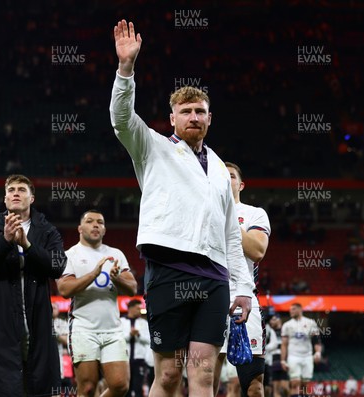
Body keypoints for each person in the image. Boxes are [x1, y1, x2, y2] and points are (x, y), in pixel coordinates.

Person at [110, 19, 255, 397]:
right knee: (170, 376)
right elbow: (122, 119)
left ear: (210, 118)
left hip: (214, 279)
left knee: (204, 376)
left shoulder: (222, 169)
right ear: (171, 117)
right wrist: (126, 69)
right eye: (186, 110)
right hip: (168, 270)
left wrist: (244, 288)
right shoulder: (153, 147)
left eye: (200, 111)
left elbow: (229, 233)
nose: (194, 116)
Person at [0, 174, 66, 396]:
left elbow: (58, 267)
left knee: (40, 386)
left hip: (38, 324)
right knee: (7, 389)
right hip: (1, 323)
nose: (16, 193)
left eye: (22, 189)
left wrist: (28, 245)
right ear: (5, 200)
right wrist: (4, 241)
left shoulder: (48, 231)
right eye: (11, 189)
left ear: (32, 198)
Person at [57, 210, 137, 397]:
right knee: (87, 389)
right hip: (83, 329)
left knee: (120, 386)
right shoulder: (69, 255)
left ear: (104, 229)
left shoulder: (115, 254)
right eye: (90, 221)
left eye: (100, 222)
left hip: (113, 330)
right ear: (79, 228)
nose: (95, 225)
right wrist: (94, 273)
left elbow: (132, 288)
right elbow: (64, 290)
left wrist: (116, 279)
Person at [213, 162, 271, 397]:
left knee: (253, 387)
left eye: (232, 176)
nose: (226, 180)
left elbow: (257, 250)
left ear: (241, 184)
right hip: (208, 300)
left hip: (244, 301)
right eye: (221, 176)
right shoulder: (202, 211)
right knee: (205, 381)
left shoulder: (254, 213)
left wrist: (227, 218)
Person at [280, 303, 323, 397]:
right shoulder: (287, 325)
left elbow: (316, 340)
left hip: (307, 356)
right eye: (290, 309)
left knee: (305, 385)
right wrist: (283, 360)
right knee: (295, 383)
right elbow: (284, 344)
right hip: (293, 356)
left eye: (294, 309)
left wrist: (318, 352)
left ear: (300, 309)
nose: (291, 311)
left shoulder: (310, 323)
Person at [121, 299, 150, 397]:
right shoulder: (121, 322)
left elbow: (149, 340)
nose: (139, 310)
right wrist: (129, 334)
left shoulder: (144, 323)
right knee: (125, 387)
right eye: (138, 308)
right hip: (124, 359)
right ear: (131, 308)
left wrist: (138, 335)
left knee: (138, 387)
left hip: (139, 359)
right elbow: (118, 339)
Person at [267, 315, 290, 397]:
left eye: (273, 319)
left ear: (279, 320)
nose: (271, 322)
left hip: (284, 359)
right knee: (275, 389)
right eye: (270, 320)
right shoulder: (268, 331)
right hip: (273, 359)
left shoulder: (286, 330)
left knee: (284, 387)